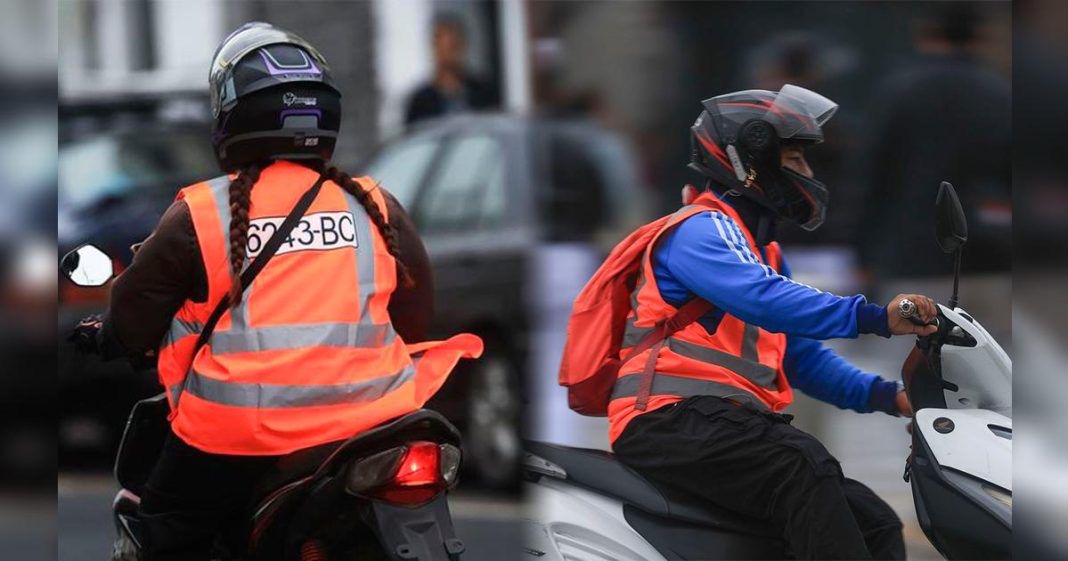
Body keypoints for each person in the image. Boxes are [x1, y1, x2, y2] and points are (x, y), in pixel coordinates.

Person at [71, 22, 481, 560]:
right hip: (376, 424)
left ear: (229, 117)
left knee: (163, 529)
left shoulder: (200, 215)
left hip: (236, 439)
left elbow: (132, 317)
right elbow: (416, 315)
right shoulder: (375, 205)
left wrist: (108, 337)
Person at [607, 86, 938, 560]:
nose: (807, 172)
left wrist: (892, 398)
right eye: (794, 158)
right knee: (801, 463)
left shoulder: (761, 252)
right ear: (750, 162)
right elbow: (762, 299)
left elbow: (801, 358)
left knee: (874, 522)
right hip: (666, 420)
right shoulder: (699, 230)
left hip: (717, 423)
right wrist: (875, 317)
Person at [404, 14, 499, 127]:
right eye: (443, 47)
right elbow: (415, 138)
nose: (449, 54)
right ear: (434, 49)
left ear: (463, 47)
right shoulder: (420, 101)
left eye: (453, 46)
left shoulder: (483, 92)